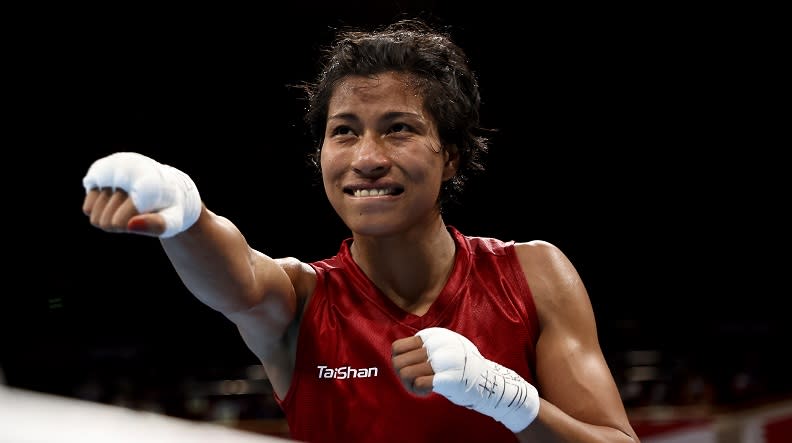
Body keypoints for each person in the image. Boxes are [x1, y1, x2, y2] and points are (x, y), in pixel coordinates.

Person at [81, 19, 639, 443]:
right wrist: (182, 210)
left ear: (452, 157)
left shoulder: (534, 274)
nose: (367, 158)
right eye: (344, 131)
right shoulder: (302, 300)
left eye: (398, 129)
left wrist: (506, 397)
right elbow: (241, 279)